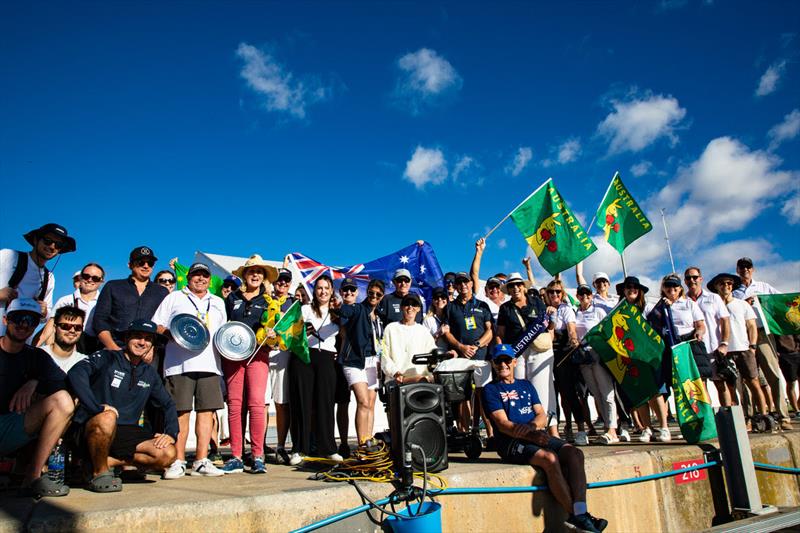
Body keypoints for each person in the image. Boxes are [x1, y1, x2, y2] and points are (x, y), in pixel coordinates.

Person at [483, 344, 607, 533]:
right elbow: (503, 425)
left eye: (507, 360)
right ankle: (575, 516)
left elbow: (541, 414)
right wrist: (532, 434)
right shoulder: (490, 390)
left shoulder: (526, 385)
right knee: (549, 459)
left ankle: (580, 513)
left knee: (574, 453)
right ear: (493, 364)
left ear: (514, 362)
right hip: (510, 442)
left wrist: (533, 428)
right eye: (498, 361)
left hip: (533, 434)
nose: (503, 365)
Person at [67, 319, 178, 493]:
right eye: (137, 336)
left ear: (152, 345)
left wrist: (171, 433)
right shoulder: (107, 357)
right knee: (108, 417)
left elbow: (168, 404)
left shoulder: (149, 372)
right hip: (93, 426)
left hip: (126, 432)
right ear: (127, 338)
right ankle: (100, 473)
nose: (142, 342)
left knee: (168, 454)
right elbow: (76, 373)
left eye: (147, 339)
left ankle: (101, 462)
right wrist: (95, 407)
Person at [153, 262, 226, 478]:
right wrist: (175, 334)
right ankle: (178, 460)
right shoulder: (174, 297)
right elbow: (157, 325)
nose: (200, 279)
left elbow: (223, 333)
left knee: (206, 413)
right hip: (178, 365)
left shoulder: (218, 302)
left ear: (210, 280)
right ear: (189, 278)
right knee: (180, 413)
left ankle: (201, 461)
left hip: (210, 364)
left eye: (205, 276)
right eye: (196, 275)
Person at [0, 298, 74, 497]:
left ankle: (31, 478)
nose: (24, 325)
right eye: (18, 318)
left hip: (9, 427)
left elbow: (65, 384)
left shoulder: (37, 357)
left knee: (63, 401)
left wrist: (34, 382)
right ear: (6, 320)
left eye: (31, 321)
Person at [221, 255, 276, 474]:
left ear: (263, 277)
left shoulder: (269, 301)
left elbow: (277, 332)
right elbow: (222, 326)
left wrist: (273, 334)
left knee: (256, 404)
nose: (255, 274)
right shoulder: (231, 297)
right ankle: (235, 455)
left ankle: (257, 456)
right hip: (233, 356)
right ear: (244, 274)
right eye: (251, 271)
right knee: (235, 404)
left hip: (259, 355)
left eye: (259, 272)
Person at [733, 257, 792, 430]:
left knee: (773, 374)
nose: (745, 270)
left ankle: (783, 417)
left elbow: (782, 302)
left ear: (753, 269)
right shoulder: (734, 291)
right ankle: (750, 418)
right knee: (747, 378)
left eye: (748, 267)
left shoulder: (764, 287)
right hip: (743, 336)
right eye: (742, 267)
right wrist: (744, 304)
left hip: (762, 334)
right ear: (737, 270)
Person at [495, 272, 557, 436]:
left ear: (523, 286)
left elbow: (549, 325)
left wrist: (552, 317)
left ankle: (549, 429)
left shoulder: (537, 302)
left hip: (539, 351)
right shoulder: (505, 308)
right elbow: (500, 334)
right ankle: (524, 429)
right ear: (508, 289)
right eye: (511, 286)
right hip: (517, 352)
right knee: (520, 390)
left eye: (518, 284)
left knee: (542, 388)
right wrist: (501, 355)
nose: (515, 288)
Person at [289, 275, 341, 466]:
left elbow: (343, 337)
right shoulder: (304, 309)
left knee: (325, 403)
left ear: (331, 290)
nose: (323, 291)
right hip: (304, 357)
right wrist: (303, 329)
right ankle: (299, 448)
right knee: (302, 403)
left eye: (326, 288)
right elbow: (291, 331)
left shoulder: (337, 313)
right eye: (319, 288)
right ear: (314, 290)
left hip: (326, 358)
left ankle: (328, 448)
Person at [614, 276, 669, 442]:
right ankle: (647, 428)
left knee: (655, 392)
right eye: (628, 287)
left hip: (649, 356)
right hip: (631, 358)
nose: (632, 290)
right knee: (640, 395)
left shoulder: (649, 308)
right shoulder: (618, 310)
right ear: (623, 290)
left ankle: (664, 427)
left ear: (640, 291)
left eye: (635, 288)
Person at [707, 273, 770, 418]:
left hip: (743, 349)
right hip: (723, 351)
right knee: (730, 387)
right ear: (716, 287)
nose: (726, 286)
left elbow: (752, 326)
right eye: (722, 283)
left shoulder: (742, 304)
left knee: (753, 382)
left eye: (729, 283)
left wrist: (752, 346)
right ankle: (740, 419)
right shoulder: (713, 307)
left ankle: (763, 415)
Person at [0, 223, 77, 337]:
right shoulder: (8, 256)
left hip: (20, 346)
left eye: (58, 244)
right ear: (36, 240)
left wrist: (44, 311)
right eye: (47, 240)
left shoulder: (49, 277)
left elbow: (44, 318)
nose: (52, 246)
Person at [443, 271, 494, 436]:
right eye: (460, 283)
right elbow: (447, 332)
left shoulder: (482, 305)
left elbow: (490, 331)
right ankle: (465, 434)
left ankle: (491, 435)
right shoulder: (450, 307)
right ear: (456, 286)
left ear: (472, 284)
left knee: (484, 395)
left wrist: (477, 345)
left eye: (466, 282)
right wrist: (461, 346)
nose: (463, 285)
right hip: (461, 357)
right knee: (463, 396)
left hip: (481, 357)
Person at [334, 278, 383, 448]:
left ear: (382, 296)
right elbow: (346, 311)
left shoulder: (379, 315)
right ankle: (362, 444)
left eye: (378, 294)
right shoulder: (358, 308)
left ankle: (368, 442)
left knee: (370, 403)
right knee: (362, 401)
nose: (374, 296)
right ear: (366, 292)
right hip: (354, 360)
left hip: (373, 360)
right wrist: (339, 307)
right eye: (371, 293)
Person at [93, 246, 169, 352]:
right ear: (130, 265)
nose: (146, 266)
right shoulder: (113, 286)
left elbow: (164, 324)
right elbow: (99, 320)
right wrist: (113, 348)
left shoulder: (162, 292)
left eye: (150, 263)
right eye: (141, 262)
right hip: (115, 349)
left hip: (147, 352)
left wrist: (153, 349)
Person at [574, 284, 622, 444]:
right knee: (596, 393)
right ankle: (608, 427)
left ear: (591, 295)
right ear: (577, 296)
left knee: (607, 392)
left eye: (587, 293)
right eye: (581, 294)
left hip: (598, 354)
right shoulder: (576, 313)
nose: (584, 296)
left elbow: (608, 331)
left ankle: (612, 430)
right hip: (583, 357)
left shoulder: (599, 311)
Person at [546, 279, 589, 444]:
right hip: (548, 354)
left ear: (562, 294)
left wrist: (573, 338)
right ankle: (560, 429)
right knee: (552, 395)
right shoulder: (545, 310)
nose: (555, 295)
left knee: (569, 393)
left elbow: (571, 329)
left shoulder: (566, 309)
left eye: (558, 292)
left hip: (564, 354)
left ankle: (581, 429)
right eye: (551, 292)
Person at [260, 266, 295, 465]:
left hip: (283, 356)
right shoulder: (264, 299)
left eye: (286, 281)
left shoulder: (294, 302)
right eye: (279, 280)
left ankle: (281, 446)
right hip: (264, 354)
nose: (282, 284)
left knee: (281, 404)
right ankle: (261, 445)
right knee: (262, 403)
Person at [684, 267, 731, 404]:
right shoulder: (683, 300)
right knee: (701, 386)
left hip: (713, 348)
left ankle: (727, 416)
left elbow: (725, 320)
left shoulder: (713, 297)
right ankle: (709, 420)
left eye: (694, 277)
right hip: (695, 350)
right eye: (688, 278)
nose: (692, 280)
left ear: (700, 278)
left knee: (720, 384)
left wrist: (724, 343)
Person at [36, 263, 105, 353]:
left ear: (101, 281)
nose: (90, 280)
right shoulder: (65, 300)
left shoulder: (104, 303)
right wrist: (33, 350)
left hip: (95, 351)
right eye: (86, 276)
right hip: (68, 350)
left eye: (95, 278)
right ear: (81, 277)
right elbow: (49, 329)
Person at [381, 293, 443, 383]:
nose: (410, 307)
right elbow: (384, 356)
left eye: (414, 304)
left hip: (420, 381)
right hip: (396, 381)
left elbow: (433, 353)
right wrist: (396, 373)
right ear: (402, 307)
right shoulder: (390, 328)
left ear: (418, 309)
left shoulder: (423, 331)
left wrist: (446, 355)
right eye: (407, 304)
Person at [41, 306, 88, 374]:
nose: (72, 330)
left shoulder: (84, 362)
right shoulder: (38, 356)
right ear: (54, 328)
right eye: (66, 326)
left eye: (78, 327)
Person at [470, 238, 507, 320]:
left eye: (497, 286)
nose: (494, 289)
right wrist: (479, 252)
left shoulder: (508, 303)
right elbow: (474, 274)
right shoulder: (482, 300)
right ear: (485, 290)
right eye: (491, 287)